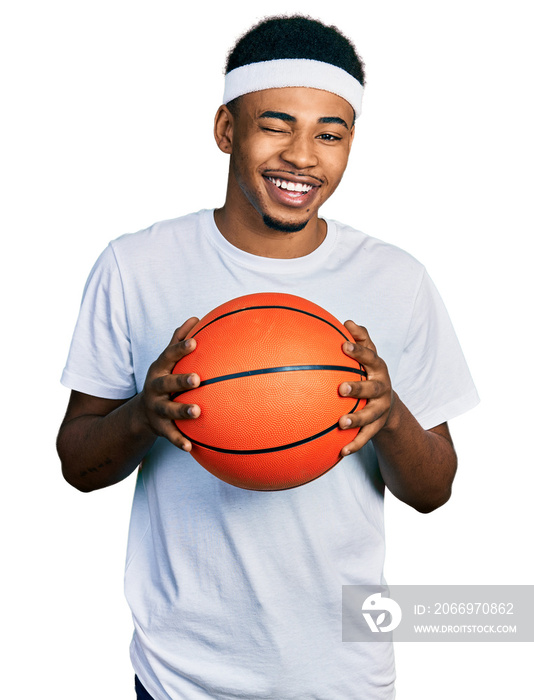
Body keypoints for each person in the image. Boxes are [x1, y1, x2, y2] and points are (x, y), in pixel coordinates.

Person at [57, 15, 479, 700]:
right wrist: (146, 413)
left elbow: (434, 492)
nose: (303, 156)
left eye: (329, 134)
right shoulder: (136, 266)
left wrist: (390, 414)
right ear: (227, 129)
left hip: (344, 678)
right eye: (276, 124)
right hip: (181, 678)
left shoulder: (398, 280)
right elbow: (77, 464)